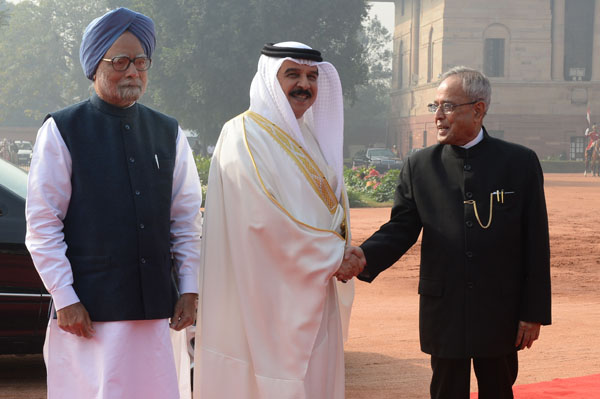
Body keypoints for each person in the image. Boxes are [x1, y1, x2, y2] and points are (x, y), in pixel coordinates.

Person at [25, 8, 203, 399]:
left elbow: (186, 220)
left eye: (141, 62)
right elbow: (42, 224)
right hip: (89, 313)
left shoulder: (167, 132)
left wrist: (189, 288)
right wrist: (65, 298)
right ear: (95, 66)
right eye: (119, 61)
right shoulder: (63, 129)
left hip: (156, 310)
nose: (132, 72)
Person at [348, 66, 551, 399]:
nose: (438, 116)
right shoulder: (420, 166)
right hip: (444, 307)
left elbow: (536, 244)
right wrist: (364, 256)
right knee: (445, 392)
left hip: (499, 309)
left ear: (478, 110)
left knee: (498, 390)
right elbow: (401, 227)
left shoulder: (519, 163)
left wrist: (533, 312)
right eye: (435, 106)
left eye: (447, 106)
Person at [194, 42, 363, 399]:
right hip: (260, 292)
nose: (305, 85)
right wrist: (334, 255)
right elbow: (262, 220)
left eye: (312, 76)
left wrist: (338, 253)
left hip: (313, 289)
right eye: (293, 75)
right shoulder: (243, 134)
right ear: (270, 79)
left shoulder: (311, 139)